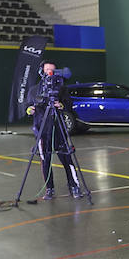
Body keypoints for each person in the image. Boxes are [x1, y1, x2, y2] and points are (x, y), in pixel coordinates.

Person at [25, 61, 84, 199]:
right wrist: (30, 110)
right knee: (45, 160)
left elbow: (69, 104)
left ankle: (74, 186)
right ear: (42, 71)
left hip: (59, 129)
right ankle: (49, 188)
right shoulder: (34, 90)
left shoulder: (61, 89)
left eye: (53, 70)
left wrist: (61, 105)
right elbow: (27, 106)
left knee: (67, 158)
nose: (50, 73)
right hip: (42, 130)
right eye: (47, 70)